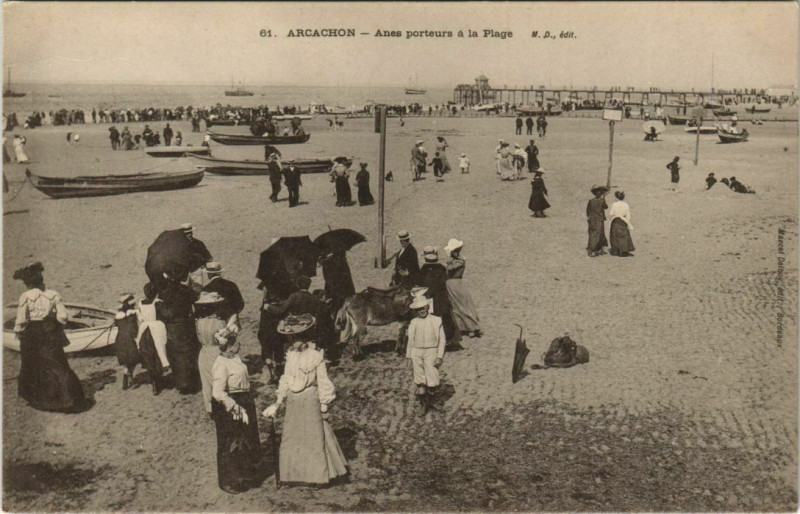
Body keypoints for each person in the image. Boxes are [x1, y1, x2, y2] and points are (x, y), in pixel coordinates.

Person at [263, 315, 348, 486]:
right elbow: (286, 379)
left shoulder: (315, 356)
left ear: (306, 337)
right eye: (291, 337)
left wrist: (324, 404)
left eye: (297, 337)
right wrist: (278, 402)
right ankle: (293, 475)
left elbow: (323, 380)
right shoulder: (291, 355)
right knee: (292, 438)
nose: (293, 341)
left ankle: (318, 477)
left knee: (313, 438)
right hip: (294, 401)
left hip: (310, 398)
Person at [13, 262, 86, 412]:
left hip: (32, 333)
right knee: (58, 363)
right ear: (41, 280)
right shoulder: (53, 294)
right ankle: (70, 398)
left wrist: (18, 332)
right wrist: (54, 323)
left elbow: (21, 320)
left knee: (34, 365)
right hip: (50, 331)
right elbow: (63, 317)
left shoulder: (25, 297)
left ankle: (44, 398)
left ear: (27, 283)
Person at [211, 331, 261, 494]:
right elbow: (217, 392)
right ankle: (228, 480)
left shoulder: (235, 359)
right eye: (235, 343)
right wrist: (234, 406)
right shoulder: (221, 364)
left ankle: (244, 474)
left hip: (244, 400)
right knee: (230, 442)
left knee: (246, 438)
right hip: (230, 405)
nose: (239, 345)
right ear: (229, 347)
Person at [196, 262, 245, 415]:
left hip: (205, 351)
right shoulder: (231, 285)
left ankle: (211, 408)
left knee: (209, 381)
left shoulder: (205, 291)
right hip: (223, 337)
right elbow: (240, 305)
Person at [158, 276, 202, 394]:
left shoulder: (164, 292)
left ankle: (182, 383)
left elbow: (162, 311)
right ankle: (193, 382)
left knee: (176, 354)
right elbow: (196, 297)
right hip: (186, 324)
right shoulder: (185, 290)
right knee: (189, 352)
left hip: (172, 327)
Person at [406, 296, 446, 414]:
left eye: (423, 308)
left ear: (428, 307)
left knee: (432, 376)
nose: (422, 311)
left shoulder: (436, 320)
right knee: (420, 378)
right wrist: (408, 356)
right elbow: (410, 341)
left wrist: (439, 356)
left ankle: (433, 402)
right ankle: (423, 404)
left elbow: (442, 340)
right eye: (419, 309)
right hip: (416, 352)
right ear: (415, 311)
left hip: (431, 351)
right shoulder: (414, 322)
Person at [420, 249, 462, 350]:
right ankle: (450, 340)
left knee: (434, 319)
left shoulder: (426, 271)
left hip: (434, 299)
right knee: (446, 318)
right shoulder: (441, 269)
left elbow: (428, 287)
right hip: (443, 298)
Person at [136, 283, 172, 395]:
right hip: (156, 328)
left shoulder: (140, 303)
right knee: (160, 351)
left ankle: (154, 383)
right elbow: (167, 315)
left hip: (145, 329)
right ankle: (161, 377)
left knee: (149, 355)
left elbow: (140, 318)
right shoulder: (157, 303)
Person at [443, 239, 481, 338]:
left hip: (456, 284)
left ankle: (473, 327)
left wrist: (448, 262)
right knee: (455, 306)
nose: (454, 252)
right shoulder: (456, 260)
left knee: (462, 305)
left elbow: (449, 269)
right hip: (452, 284)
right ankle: (461, 327)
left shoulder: (459, 261)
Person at [114, 294, 141, 390]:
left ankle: (126, 374)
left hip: (120, 339)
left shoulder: (117, 316)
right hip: (131, 338)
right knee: (134, 359)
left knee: (126, 360)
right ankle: (129, 374)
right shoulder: (134, 312)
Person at [320, 250, 356, 315]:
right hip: (343, 292)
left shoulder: (327, 263)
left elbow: (327, 279)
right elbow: (348, 280)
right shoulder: (342, 263)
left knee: (332, 312)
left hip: (332, 291)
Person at [608, 191, 635, 257]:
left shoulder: (614, 204)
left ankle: (615, 251)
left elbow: (611, 213)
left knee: (614, 235)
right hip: (623, 221)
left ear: (616, 197)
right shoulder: (626, 205)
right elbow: (628, 215)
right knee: (624, 235)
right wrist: (627, 222)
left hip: (616, 220)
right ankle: (624, 250)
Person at [587, 185, 609, 257]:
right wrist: (604, 199)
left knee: (593, 234)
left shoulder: (591, 201)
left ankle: (595, 249)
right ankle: (594, 250)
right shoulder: (601, 201)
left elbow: (588, 211)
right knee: (599, 234)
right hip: (599, 220)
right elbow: (606, 207)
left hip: (592, 220)